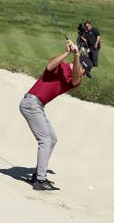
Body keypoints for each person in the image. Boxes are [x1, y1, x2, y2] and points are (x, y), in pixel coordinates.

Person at [19, 39, 91, 191]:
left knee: (52, 139)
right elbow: (49, 65)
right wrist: (67, 52)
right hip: (31, 103)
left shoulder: (75, 80)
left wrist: (76, 55)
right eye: (86, 72)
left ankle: (38, 173)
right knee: (45, 140)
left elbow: (76, 77)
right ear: (83, 68)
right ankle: (40, 180)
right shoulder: (61, 66)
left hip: (38, 106)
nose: (84, 75)